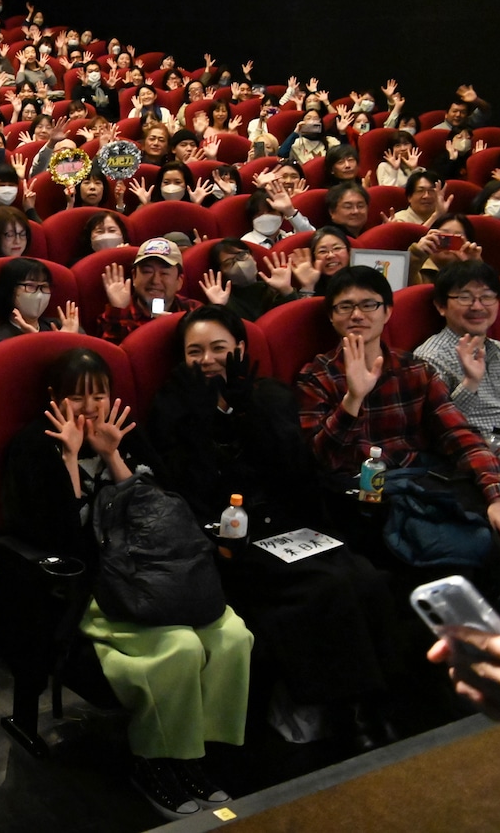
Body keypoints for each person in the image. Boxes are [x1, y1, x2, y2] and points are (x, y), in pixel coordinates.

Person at [1, 347, 251, 820]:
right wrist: (70, 459)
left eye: (99, 395)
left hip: (156, 569)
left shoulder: (122, 433)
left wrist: (112, 455)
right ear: (55, 397)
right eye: (77, 397)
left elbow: (161, 509)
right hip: (97, 584)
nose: (90, 407)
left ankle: (196, 755)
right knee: (179, 648)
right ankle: (155, 761)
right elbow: (58, 538)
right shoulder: (33, 446)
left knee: (234, 637)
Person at [147, 307, 401, 750]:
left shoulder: (266, 395)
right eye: (195, 352)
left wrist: (247, 412)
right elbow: (188, 487)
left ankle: (376, 701)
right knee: (325, 588)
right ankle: (348, 710)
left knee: (365, 578)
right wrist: (201, 418)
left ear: (240, 349)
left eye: (219, 348)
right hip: (229, 534)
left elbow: (293, 471)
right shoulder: (171, 405)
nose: (207, 360)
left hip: (287, 521)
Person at [295, 265, 500, 563]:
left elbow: (459, 434)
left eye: (369, 304)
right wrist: (353, 399)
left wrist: (496, 496)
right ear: (331, 316)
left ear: (388, 312)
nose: (357, 315)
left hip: (420, 484)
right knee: (472, 546)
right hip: (360, 496)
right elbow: (320, 459)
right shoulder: (317, 376)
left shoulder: (415, 369)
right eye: (345, 306)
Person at [413, 261, 500, 435]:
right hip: (474, 446)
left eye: (487, 297)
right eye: (465, 297)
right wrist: (470, 383)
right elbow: (432, 430)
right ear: (441, 306)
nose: (477, 306)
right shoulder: (430, 358)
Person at [99, 238, 202, 344]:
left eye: (164, 273)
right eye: (147, 271)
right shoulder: (117, 313)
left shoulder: (193, 311)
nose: (155, 281)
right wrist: (118, 311)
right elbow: (110, 352)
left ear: (179, 281)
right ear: (134, 276)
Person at [0, 257, 81, 351]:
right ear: (10, 290)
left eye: (44, 286)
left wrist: (70, 342)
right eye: (30, 286)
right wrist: (39, 343)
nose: (39, 295)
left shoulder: (62, 327)